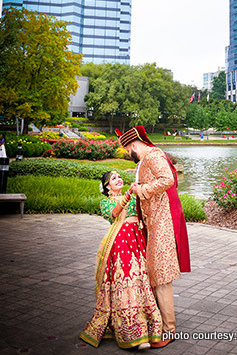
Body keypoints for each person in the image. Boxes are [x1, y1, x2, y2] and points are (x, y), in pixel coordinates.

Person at [118, 126, 191, 349]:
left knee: (161, 277)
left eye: (126, 149)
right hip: (152, 223)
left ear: (132, 145)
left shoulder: (153, 155)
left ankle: (169, 330)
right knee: (154, 276)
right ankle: (158, 324)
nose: (126, 153)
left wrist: (142, 190)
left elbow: (168, 179)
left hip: (162, 223)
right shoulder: (144, 159)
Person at [80, 170, 162, 349]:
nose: (118, 179)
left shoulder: (134, 198)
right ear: (107, 186)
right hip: (119, 243)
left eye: (119, 177)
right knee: (126, 282)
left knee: (141, 281)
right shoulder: (106, 202)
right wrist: (126, 197)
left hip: (137, 240)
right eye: (113, 178)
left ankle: (146, 329)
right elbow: (115, 214)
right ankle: (131, 333)